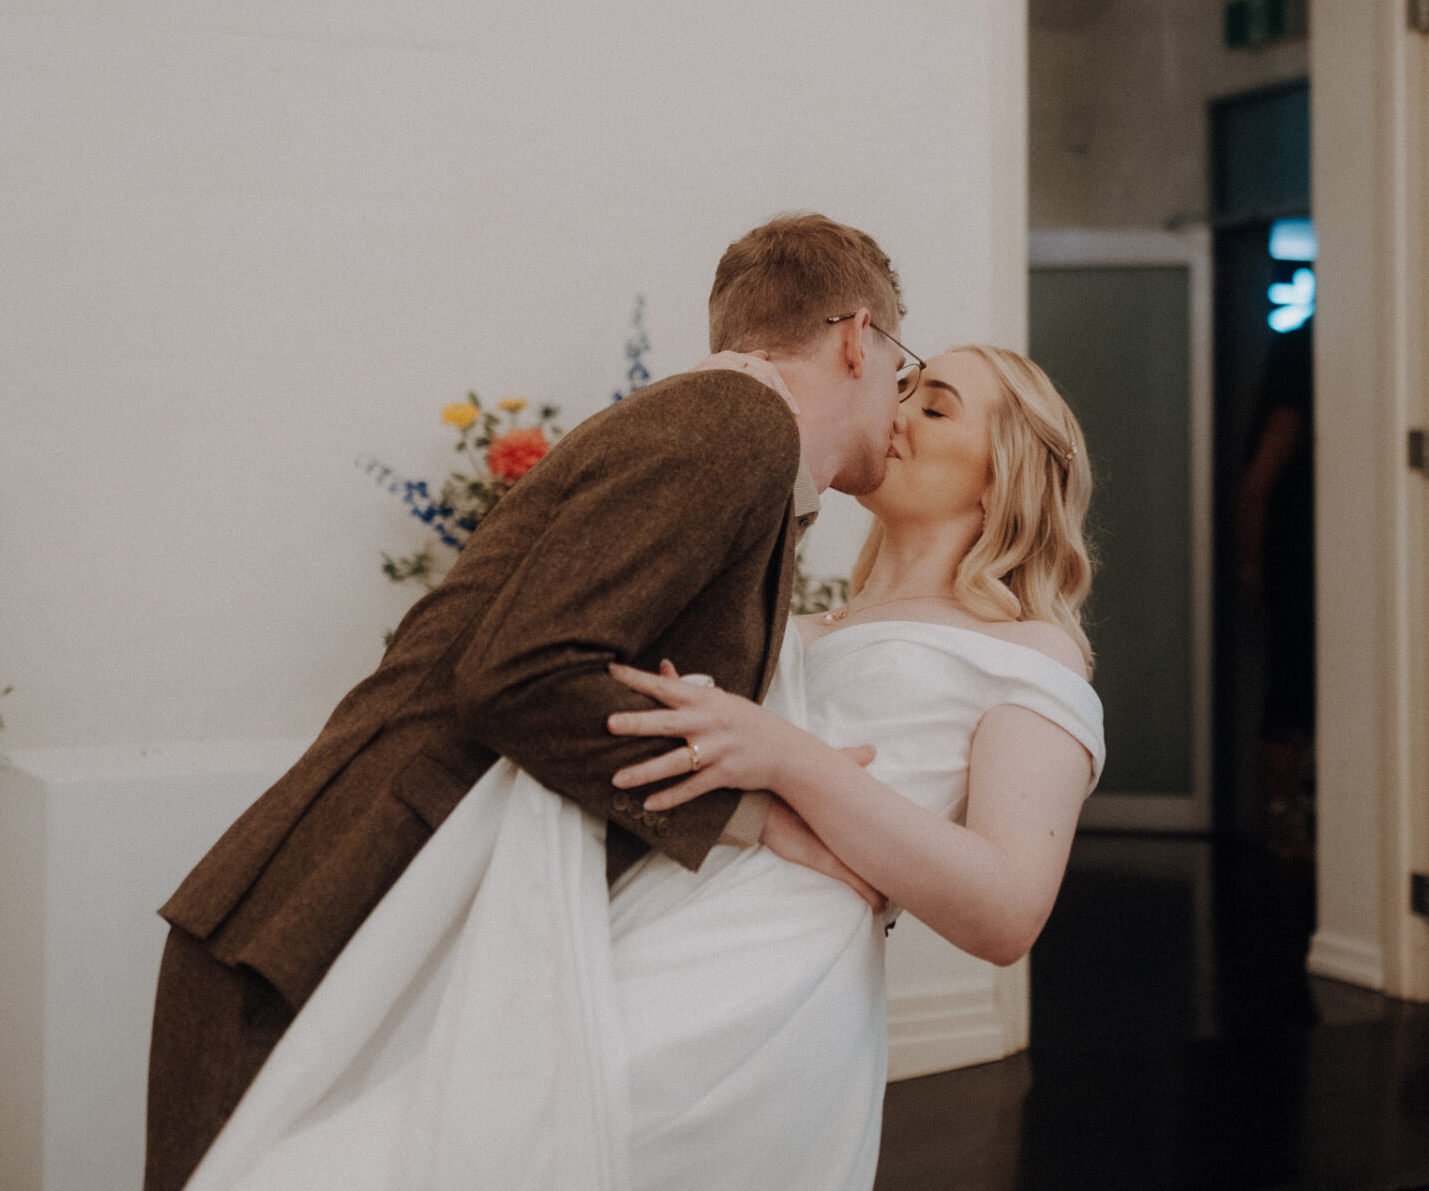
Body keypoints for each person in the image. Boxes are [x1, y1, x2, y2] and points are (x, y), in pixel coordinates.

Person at [144, 212, 909, 1190]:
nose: (901, 397)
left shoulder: (727, 434)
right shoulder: (740, 423)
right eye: (902, 363)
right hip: (320, 925)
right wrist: (761, 817)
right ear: (855, 337)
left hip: (369, 924)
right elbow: (522, 673)